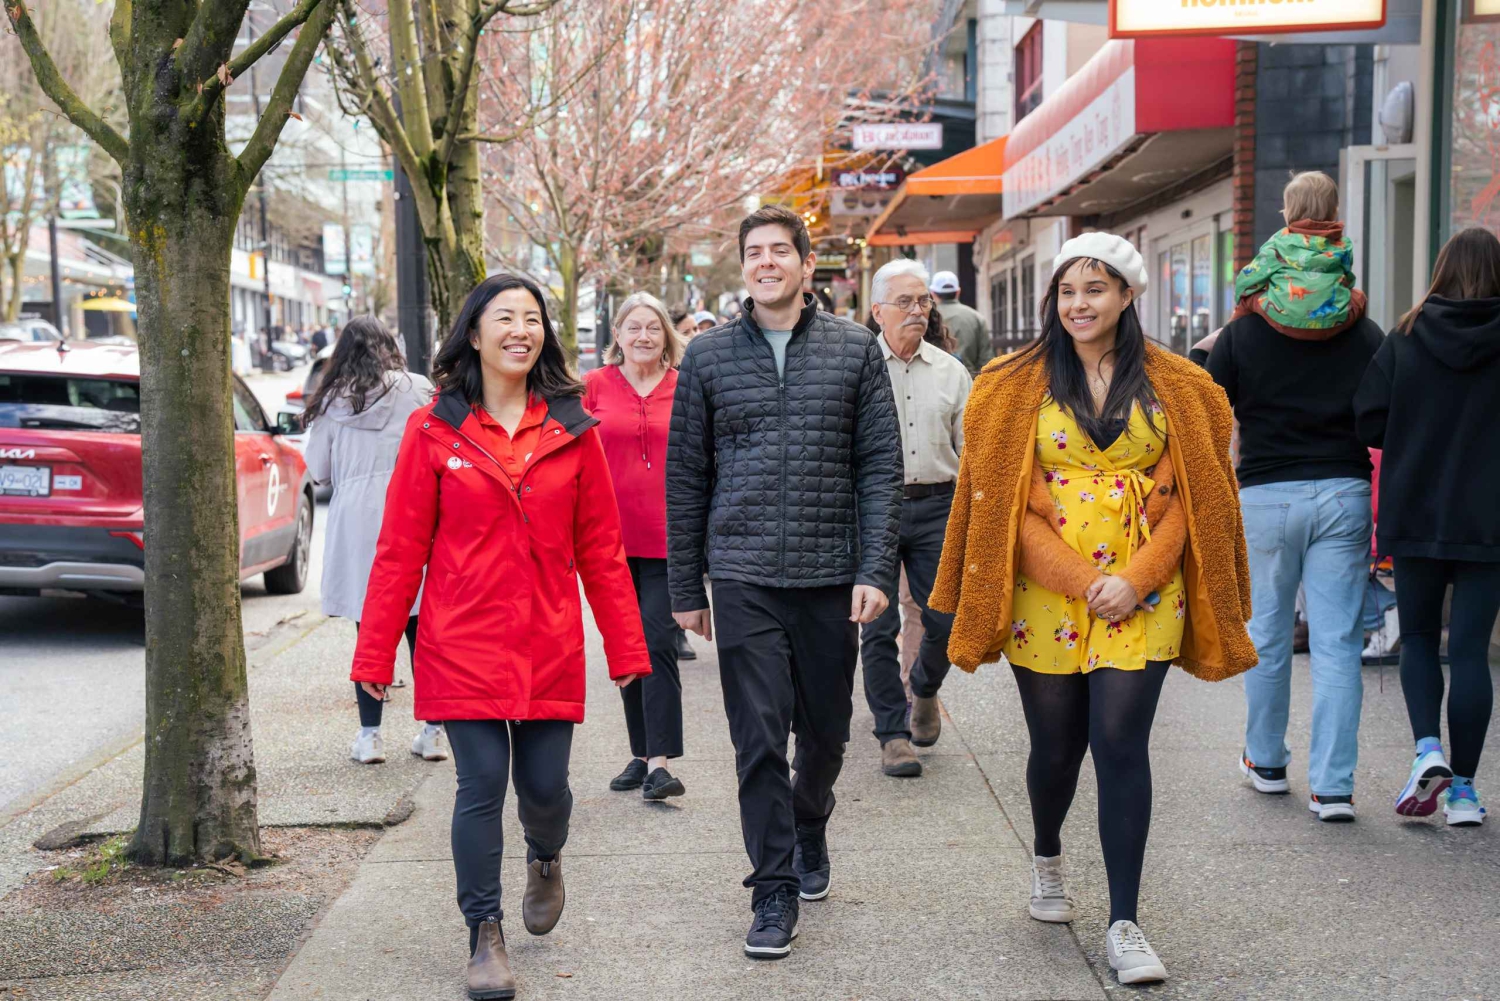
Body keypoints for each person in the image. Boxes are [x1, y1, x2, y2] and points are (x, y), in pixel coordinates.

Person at [929, 232, 1255, 987]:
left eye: (1097, 288)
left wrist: (1136, 578)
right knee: (1055, 747)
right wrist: (1086, 580)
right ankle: (1048, 855)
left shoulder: (1184, 385)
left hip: (1147, 591)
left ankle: (1124, 921)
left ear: (1128, 295)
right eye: (1069, 290)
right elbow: (1007, 507)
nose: (1080, 304)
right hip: (1047, 592)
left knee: (1119, 742)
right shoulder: (1009, 385)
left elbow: (1196, 500)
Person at [350, 274, 651, 999]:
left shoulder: (574, 431)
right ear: (474, 336)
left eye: (532, 318)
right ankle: (484, 933)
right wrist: (375, 651)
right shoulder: (434, 430)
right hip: (462, 640)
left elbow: (603, 550)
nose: (521, 329)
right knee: (480, 783)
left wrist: (626, 646)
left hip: (548, 640)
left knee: (544, 788)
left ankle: (545, 855)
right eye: (504, 317)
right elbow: (399, 549)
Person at [667, 204, 902, 960]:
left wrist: (874, 569)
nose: (766, 262)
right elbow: (687, 476)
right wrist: (685, 587)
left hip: (830, 573)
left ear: (806, 263)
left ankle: (810, 819)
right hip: (741, 575)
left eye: (779, 251)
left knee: (827, 735)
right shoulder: (706, 358)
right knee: (758, 736)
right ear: (744, 268)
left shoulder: (855, 349)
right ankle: (772, 888)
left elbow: (880, 466)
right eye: (754, 252)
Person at [1207, 170, 1384, 822]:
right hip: (1342, 490)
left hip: (1266, 495)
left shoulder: (1247, 326)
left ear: (1285, 217)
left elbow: (1207, 396)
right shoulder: (1362, 324)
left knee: (1268, 634)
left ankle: (1267, 760)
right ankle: (1333, 787)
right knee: (1338, 643)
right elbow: (1385, 406)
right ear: (1337, 217)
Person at [1355, 226, 1500, 826]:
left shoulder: (1404, 338)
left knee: (1416, 638)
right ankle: (1463, 792)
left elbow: (1367, 420)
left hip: (1415, 510)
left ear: (1439, 272)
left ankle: (1426, 752)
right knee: (1468, 650)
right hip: (1490, 518)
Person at [303, 316, 443, 765]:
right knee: (424, 629)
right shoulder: (418, 389)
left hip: (357, 519)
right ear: (391, 345)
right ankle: (433, 730)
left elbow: (319, 470)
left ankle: (369, 736)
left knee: (371, 627)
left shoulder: (332, 401)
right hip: (415, 509)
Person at [858, 259, 971, 777]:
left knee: (946, 619)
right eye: (904, 302)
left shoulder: (951, 372)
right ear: (877, 309)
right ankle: (892, 733)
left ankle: (923, 689)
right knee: (876, 626)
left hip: (936, 505)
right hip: (872, 507)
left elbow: (968, 452)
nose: (917, 311)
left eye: (923, 301)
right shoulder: (857, 367)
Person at [584, 291, 689, 801]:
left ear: (665, 335)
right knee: (626, 647)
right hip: (608, 541)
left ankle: (662, 763)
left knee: (658, 644)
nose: (643, 336)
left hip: (669, 539)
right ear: (618, 337)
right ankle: (642, 754)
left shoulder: (684, 386)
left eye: (652, 327)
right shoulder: (593, 387)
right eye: (634, 328)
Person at [930, 270, 994, 376]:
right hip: (971, 383)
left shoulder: (928, 317)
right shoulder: (977, 318)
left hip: (936, 381)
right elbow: (986, 360)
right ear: (958, 292)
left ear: (932, 293)